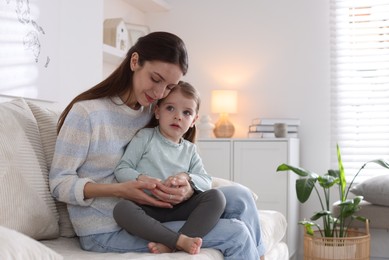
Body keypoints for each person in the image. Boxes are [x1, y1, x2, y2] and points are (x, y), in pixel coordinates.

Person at [49, 31, 265, 259]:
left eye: (170, 87)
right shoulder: (87, 114)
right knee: (236, 234)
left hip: (158, 208)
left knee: (240, 196)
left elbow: (178, 153)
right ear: (135, 62)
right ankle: (178, 242)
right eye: (155, 79)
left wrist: (188, 186)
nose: (160, 93)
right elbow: (59, 183)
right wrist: (120, 189)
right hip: (109, 226)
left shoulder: (152, 111)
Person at [113, 81, 226, 255]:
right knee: (122, 209)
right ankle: (178, 241)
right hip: (147, 208)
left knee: (217, 197)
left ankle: (175, 243)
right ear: (157, 111)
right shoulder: (146, 137)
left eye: (186, 112)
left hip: (180, 209)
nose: (178, 116)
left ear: (194, 120)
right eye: (170, 108)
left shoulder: (190, 149)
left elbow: (206, 181)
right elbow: (122, 169)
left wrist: (187, 177)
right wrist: (143, 179)